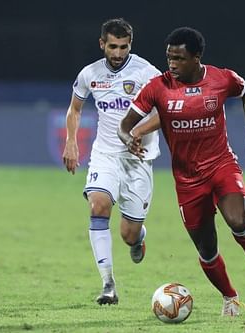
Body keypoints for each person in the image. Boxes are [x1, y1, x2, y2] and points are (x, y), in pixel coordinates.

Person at [118, 27, 245, 316]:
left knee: (237, 220)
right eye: (169, 58)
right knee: (207, 249)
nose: (172, 64)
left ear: (196, 58)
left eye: (179, 59)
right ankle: (230, 297)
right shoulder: (158, 87)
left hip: (221, 164)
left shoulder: (221, 79)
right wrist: (130, 139)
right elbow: (125, 124)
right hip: (187, 180)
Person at [62, 18, 161, 305]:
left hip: (138, 159)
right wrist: (71, 141)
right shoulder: (89, 74)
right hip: (105, 155)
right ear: (102, 44)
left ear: (131, 44)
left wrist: (139, 132)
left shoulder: (146, 73)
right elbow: (75, 108)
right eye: (113, 46)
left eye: (124, 47)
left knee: (128, 235)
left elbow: (163, 112)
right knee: (98, 205)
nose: (118, 53)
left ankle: (139, 237)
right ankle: (108, 285)